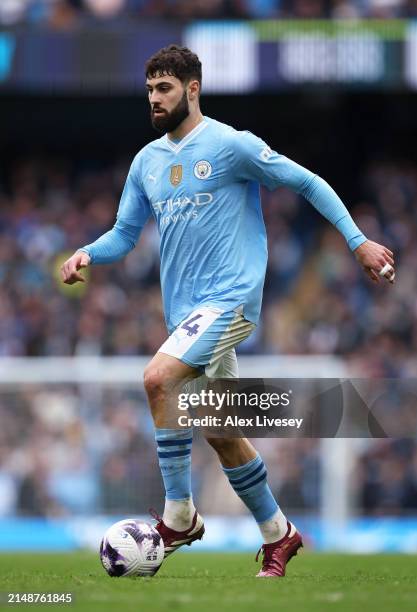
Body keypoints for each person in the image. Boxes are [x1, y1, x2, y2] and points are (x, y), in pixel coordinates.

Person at [61, 45, 395, 577]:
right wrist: (86, 253)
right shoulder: (147, 162)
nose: (154, 99)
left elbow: (304, 180)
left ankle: (179, 516)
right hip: (186, 315)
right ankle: (279, 534)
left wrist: (358, 242)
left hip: (231, 302)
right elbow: (124, 234)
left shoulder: (230, 145)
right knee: (219, 429)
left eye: (164, 88)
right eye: (149, 90)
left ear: (192, 89)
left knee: (157, 379)